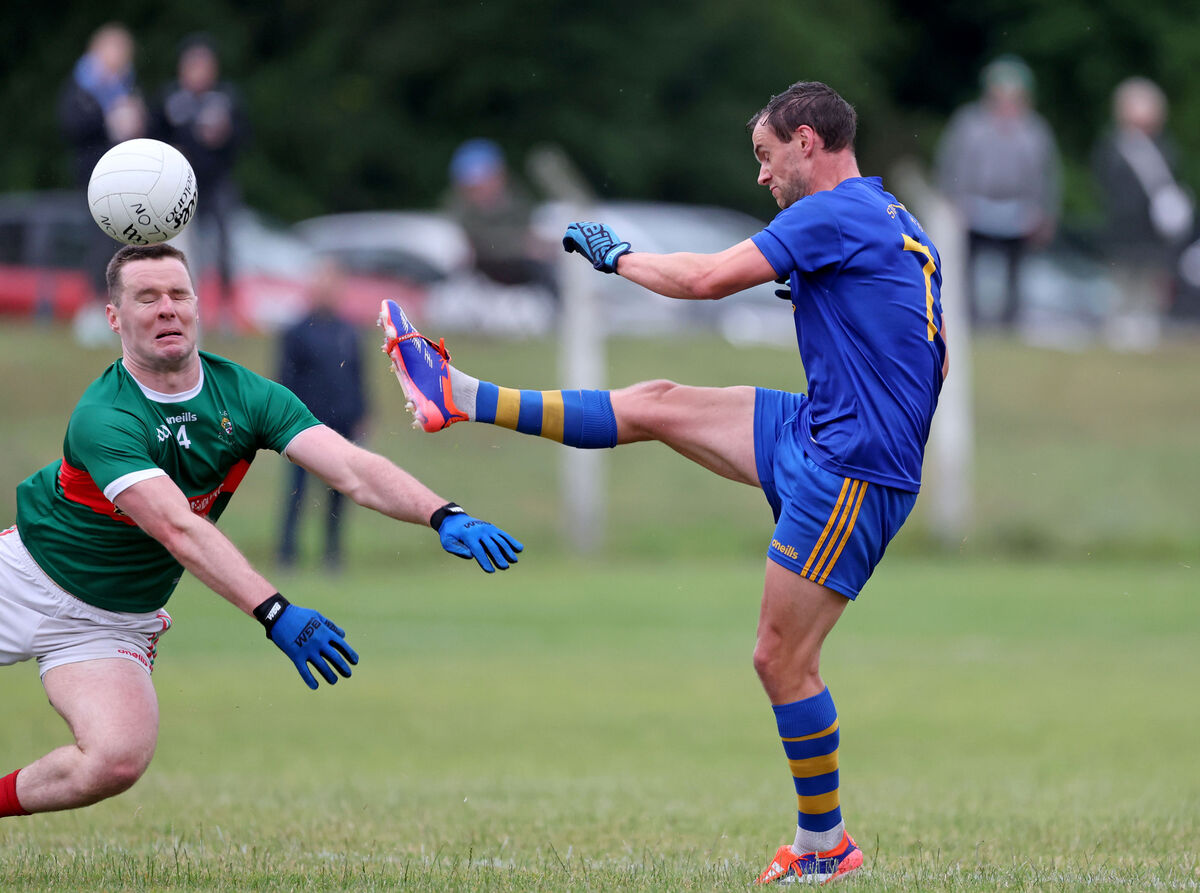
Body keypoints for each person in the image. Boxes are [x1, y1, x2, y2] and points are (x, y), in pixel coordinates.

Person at [379, 81, 947, 885]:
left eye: (764, 155)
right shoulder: (889, 215)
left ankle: (827, 843)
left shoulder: (831, 212)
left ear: (807, 143)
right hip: (824, 429)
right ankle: (459, 397)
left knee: (780, 660)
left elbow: (706, 279)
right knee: (657, 403)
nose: (761, 177)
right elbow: (932, 348)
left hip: (852, 463)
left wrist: (618, 255)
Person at [0, 243, 521, 821]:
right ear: (114, 319)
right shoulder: (105, 414)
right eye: (146, 298)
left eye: (178, 294)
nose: (166, 309)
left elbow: (350, 466)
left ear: (199, 304)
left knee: (116, 760)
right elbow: (179, 529)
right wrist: (275, 612)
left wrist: (442, 513)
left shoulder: (247, 396)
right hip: (24, 579)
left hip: (113, 622)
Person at [935, 55, 1060, 330]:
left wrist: (1044, 213)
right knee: (967, 269)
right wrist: (952, 202)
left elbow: (1047, 177)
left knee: (1016, 272)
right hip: (973, 208)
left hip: (1019, 211)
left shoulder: (1036, 131)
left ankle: (1010, 324)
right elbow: (949, 165)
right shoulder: (968, 124)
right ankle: (971, 322)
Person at [151, 33, 249, 328]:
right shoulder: (170, 98)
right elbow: (153, 136)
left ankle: (227, 312)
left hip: (217, 183)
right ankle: (183, 308)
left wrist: (226, 137)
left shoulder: (225, 98)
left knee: (224, 249)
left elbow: (245, 136)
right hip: (180, 187)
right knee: (181, 251)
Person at [276, 259, 368, 570]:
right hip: (305, 426)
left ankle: (332, 555)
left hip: (341, 423)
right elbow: (285, 379)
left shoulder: (348, 331)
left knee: (339, 492)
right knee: (297, 492)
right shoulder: (297, 332)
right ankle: (287, 554)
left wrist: (362, 412)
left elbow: (358, 375)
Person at [58, 23, 147, 341]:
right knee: (97, 244)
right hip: (92, 178)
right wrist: (106, 119)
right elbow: (70, 127)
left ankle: (122, 310)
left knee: (123, 245)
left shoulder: (128, 87)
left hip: (125, 179)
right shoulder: (80, 87)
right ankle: (92, 309)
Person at [1092, 77, 1194, 349]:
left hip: (1152, 231)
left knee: (1150, 278)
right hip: (1122, 228)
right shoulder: (1113, 146)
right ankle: (1121, 325)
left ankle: (1146, 324)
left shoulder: (1164, 148)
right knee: (1122, 277)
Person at [444, 138, 559, 301]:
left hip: (517, 264)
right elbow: (480, 244)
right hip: (487, 267)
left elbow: (527, 230)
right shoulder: (461, 210)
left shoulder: (516, 201)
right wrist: (525, 245)